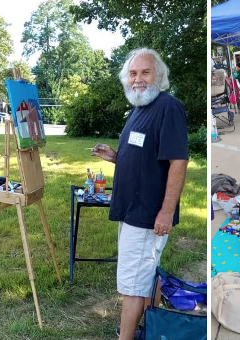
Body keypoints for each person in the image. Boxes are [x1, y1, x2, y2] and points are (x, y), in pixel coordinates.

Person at [91, 48, 189, 340]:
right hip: (132, 208)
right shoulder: (138, 108)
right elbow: (143, 158)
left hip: (148, 212)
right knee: (146, 272)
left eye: (145, 72)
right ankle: (151, 325)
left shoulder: (168, 107)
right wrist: (115, 157)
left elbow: (178, 162)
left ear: (158, 76)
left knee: (133, 283)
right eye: (133, 73)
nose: (138, 79)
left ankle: (126, 336)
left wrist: (167, 211)